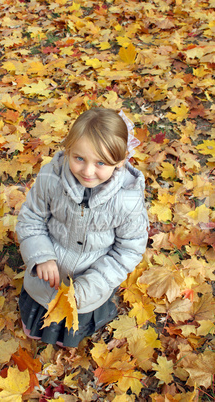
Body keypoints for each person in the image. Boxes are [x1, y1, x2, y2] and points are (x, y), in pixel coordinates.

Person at [16, 108, 149, 347]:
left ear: (120, 161)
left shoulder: (127, 201)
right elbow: (31, 218)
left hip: (90, 278)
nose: (88, 171)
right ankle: (38, 324)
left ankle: (73, 328)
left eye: (100, 162)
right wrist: (41, 256)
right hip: (49, 276)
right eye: (79, 158)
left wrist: (93, 284)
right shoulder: (51, 178)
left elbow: (128, 250)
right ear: (68, 150)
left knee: (77, 312)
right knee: (42, 304)